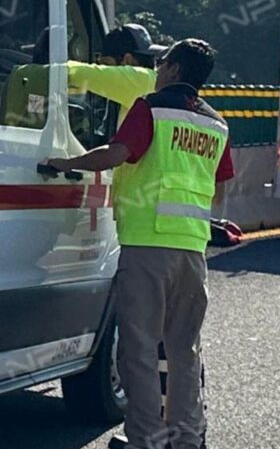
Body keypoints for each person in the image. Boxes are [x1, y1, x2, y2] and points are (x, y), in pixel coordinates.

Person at [45, 39, 233, 449]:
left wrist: (66, 164)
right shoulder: (217, 123)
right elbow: (218, 191)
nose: (158, 67)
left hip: (147, 244)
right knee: (184, 350)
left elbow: (116, 154)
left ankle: (146, 439)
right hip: (193, 251)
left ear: (175, 70)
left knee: (140, 350)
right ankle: (186, 438)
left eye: (163, 62)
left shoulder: (151, 108)